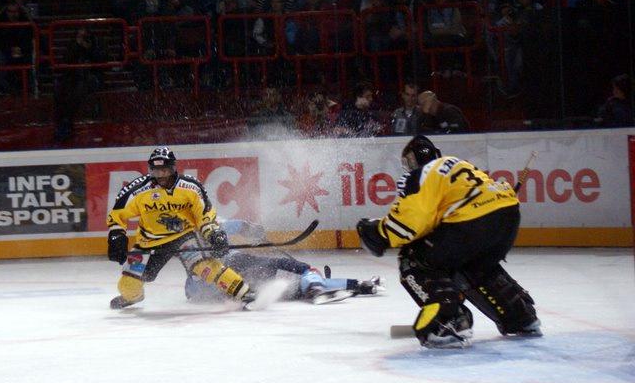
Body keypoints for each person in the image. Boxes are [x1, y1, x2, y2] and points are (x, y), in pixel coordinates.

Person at [356, 134, 541, 348]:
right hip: (507, 217)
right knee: (473, 264)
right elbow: (435, 220)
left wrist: (378, 233)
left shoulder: (421, 175)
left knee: (413, 258)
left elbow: (408, 224)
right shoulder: (457, 164)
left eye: (409, 161)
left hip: (472, 223)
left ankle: (448, 320)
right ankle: (519, 315)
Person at [106, 147, 254, 309]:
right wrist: (116, 236)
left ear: (173, 168)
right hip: (149, 242)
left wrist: (214, 233)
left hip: (184, 236)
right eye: (155, 171)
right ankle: (133, 297)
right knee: (128, 285)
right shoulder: (138, 190)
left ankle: (245, 293)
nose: (160, 176)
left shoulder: (190, 187)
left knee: (206, 267)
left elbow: (204, 214)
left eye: (164, 170)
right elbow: (117, 214)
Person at [185, 219, 383, 304]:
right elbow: (236, 225)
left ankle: (358, 285)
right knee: (298, 268)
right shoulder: (203, 220)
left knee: (293, 286)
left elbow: (192, 291)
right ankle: (316, 287)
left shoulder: (183, 232)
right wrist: (253, 230)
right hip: (233, 265)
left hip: (221, 283)